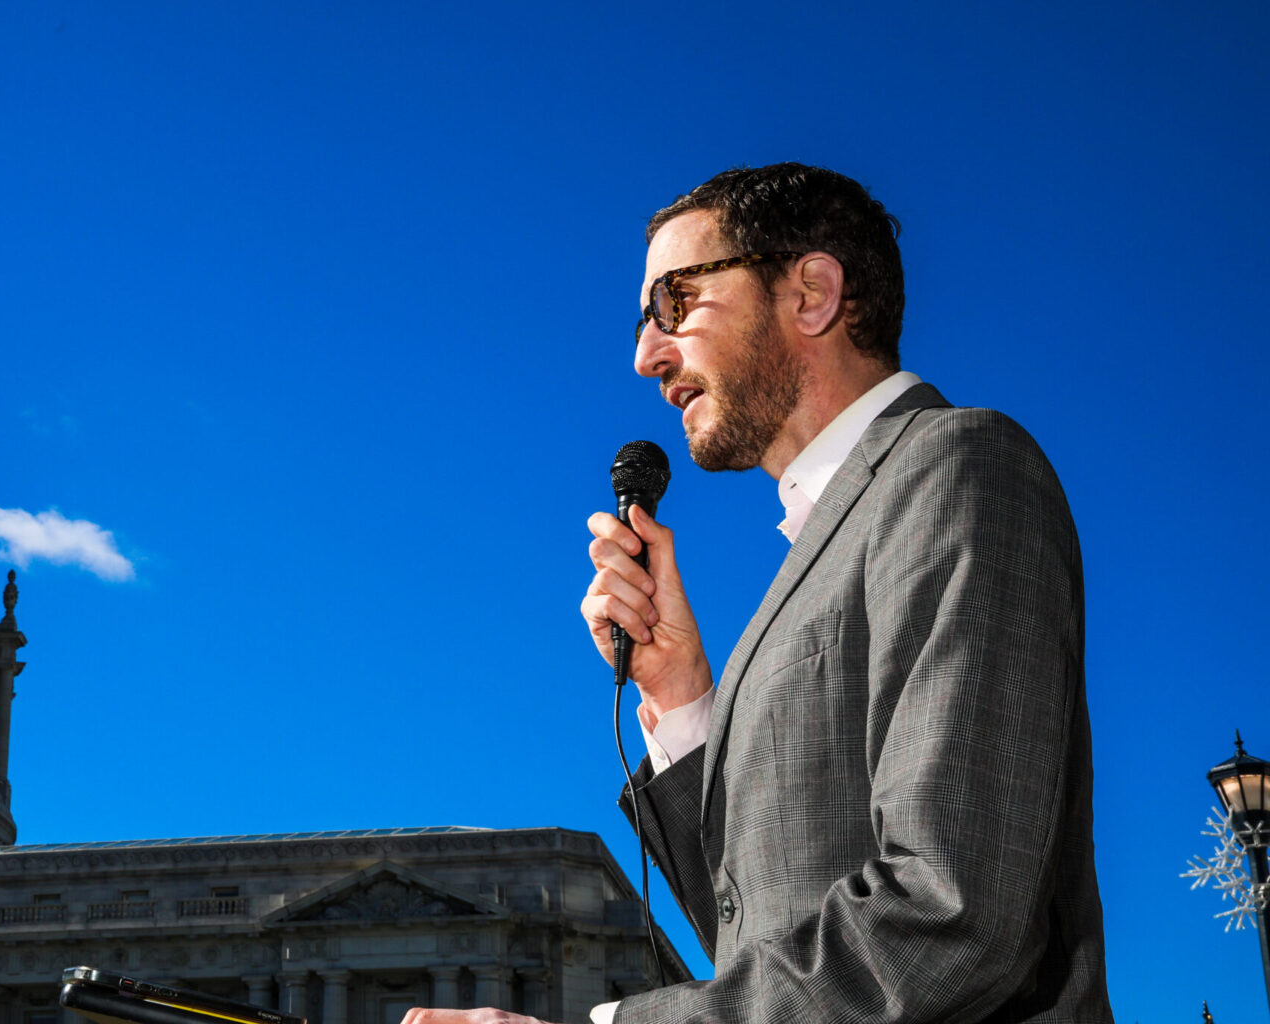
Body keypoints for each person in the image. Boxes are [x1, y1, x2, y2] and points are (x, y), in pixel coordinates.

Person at [410, 164, 1111, 1023]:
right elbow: (764, 942)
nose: (644, 355)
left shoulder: (957, 465)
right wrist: (682, 699)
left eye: (675, 303)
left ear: (812, 292)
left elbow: (950, 914)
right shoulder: (816, 550)